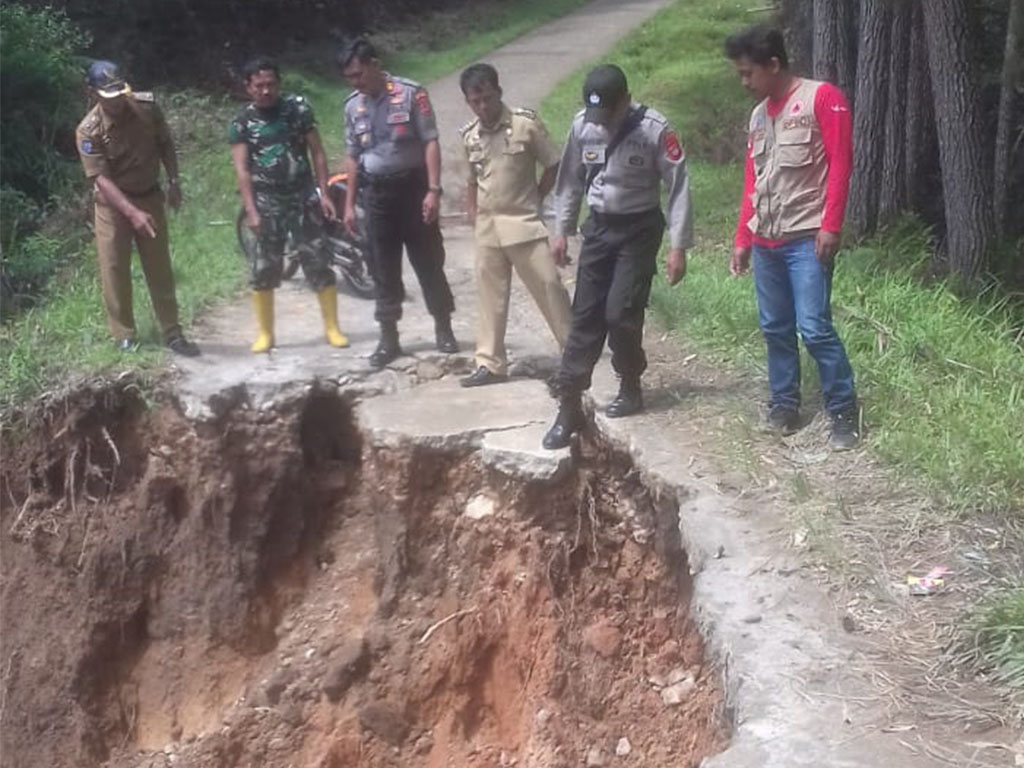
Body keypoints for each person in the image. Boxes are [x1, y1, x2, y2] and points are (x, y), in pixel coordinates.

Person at [542, 64, 693, 450]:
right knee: (585, 315)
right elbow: (571, 181)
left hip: (639, 229)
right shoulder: (583, 127)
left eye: (609, 112)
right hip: (600, 227)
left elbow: (678, 187)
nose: (602, 122)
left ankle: (630, 382)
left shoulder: (655, 130)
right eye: (597, 114)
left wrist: (678, 246)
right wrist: (561, 229)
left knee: (619, 313)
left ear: (625, 100)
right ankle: (570, 403)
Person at [724, 25, 860, 450]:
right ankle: (784, 404)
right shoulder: (759, 115)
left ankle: (843, 411)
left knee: (814, 327)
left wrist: (831, 226)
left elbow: (840, 165)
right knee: (775, 328)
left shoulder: (822, 99)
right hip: (766, 241)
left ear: (773, 65)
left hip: (807, 239)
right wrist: (742, 237)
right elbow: (754, 179)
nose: (744, 82)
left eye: (748, 73)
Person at [339, 38, 458, 368]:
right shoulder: (352, 106)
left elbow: (431, 141)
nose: (356, 82)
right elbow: (352, 156)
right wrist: (349, 205)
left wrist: (433, 190)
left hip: (413, 189)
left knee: (428, 260)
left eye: (359, 74)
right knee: (381, 267)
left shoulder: (410, 93)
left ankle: (443, 327)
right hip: (375, 195)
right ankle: (389, 337)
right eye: (350, 77)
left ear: (375, 65)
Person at [457, 63, 572, 387]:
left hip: (523, 221)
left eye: (488, 98)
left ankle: (574, 352)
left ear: (499, 92)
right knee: (489, 296)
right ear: (467, 102)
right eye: (475, 101)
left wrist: (537, 195)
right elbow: (470, 181)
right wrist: (472, 213)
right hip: (488, 227)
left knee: (549, 285)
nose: (483, 106)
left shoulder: (525, 125)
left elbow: (553, 164)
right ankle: (490, 363)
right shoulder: (469, 136)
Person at [75, 60, 200, 356]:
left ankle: (172, 331)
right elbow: (101, 180)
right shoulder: (88, 131)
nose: (116, 101)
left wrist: (174, 181)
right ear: (92, 93)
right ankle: (124, 335)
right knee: (114, 267)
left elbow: (165, 144)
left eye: (119, 93)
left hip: (149, 195)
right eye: (109, 96)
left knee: (159, 266)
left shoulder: (146, 109)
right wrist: (131, 213)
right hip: (112, 207)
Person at [228, 56, 349, 353]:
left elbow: (317, 153)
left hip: (303, 197)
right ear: (248, 87)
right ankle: (266, 334)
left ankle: (332, 328)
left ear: (279, 84)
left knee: (318, 261)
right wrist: (252, 211)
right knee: (264, 268)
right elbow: (242, 169)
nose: (266, 91)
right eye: (259, 85)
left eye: (271, 84)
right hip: (266, 201)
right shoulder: (241, 122)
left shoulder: (298, 109)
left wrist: (323, 193)